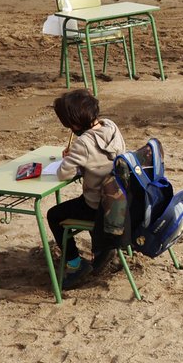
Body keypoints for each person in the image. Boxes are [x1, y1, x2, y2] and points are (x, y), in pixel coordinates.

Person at [43, 89, 126, 287]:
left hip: (98, 205)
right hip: (120, 198)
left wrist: (70, 157)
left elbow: (64, 173)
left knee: (54, 215)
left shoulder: (83, 143)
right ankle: (103, 249)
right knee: (77, 205)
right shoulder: (111, 127)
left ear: (74, 123)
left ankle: (75, 264)